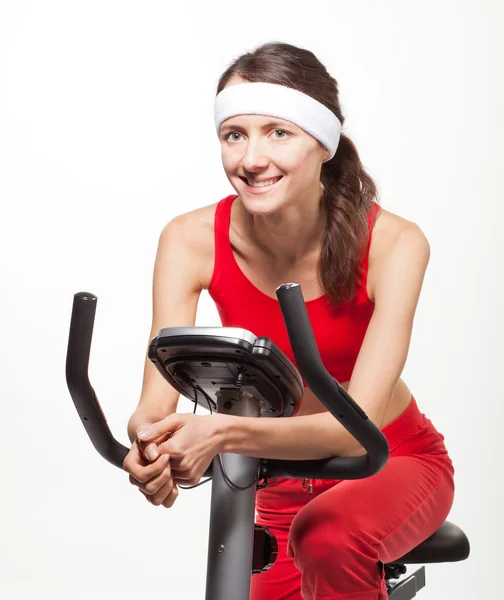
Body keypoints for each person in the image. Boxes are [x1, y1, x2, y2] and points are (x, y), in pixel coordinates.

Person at [123, 42, 455, 600]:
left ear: (322, 143)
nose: (252, 159)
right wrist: (151, 445)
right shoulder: (189, 238)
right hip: (271, 481)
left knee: (327, 538)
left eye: (279, 132)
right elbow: (154, 406)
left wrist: (222, 432)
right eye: (235, 135)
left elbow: (357, 429)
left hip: (387, 462)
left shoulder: (396, 243)